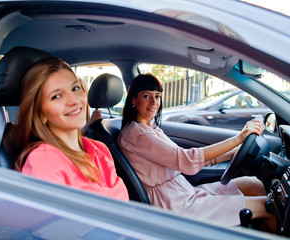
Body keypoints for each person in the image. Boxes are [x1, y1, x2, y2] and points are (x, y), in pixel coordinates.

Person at [117, 74, 276, 231]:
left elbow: (181, 162)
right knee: (269, 207)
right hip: (176, 206)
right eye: (146, 96)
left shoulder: (150, 129)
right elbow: (186, 160)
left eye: (157, 96)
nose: (154, 102)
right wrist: (239, 138)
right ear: (133, 99)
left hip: (186, 193)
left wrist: (230, 154)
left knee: (254, 184)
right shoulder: (137, 134)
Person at [15, 57, 128, 201]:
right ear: (41, 113)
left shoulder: (99, 149)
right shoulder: (42, 159)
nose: (74, 100)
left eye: (75, 88)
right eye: (56, 96)